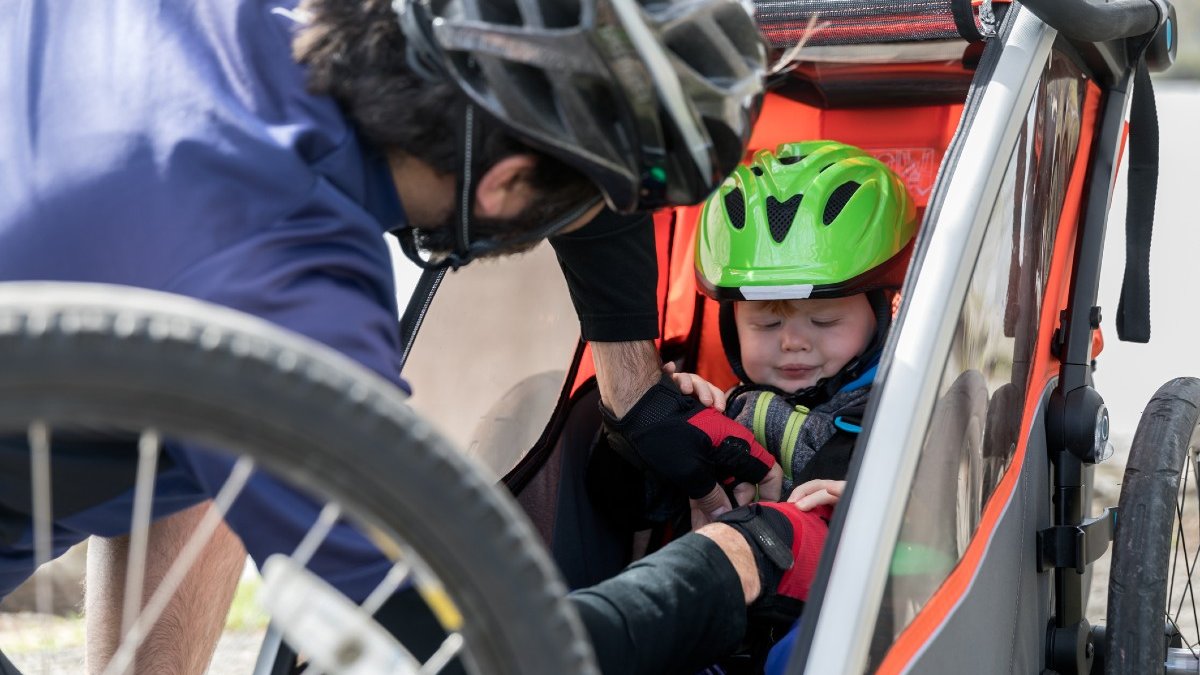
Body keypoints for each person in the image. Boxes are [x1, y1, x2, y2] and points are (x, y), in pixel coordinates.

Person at [0, 0, 783, 671]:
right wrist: (722, 567)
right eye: (585, 205)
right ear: (507, 183)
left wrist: (634, 387)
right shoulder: (302, 299)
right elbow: (449, 648)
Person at [664, 139, 919, 671]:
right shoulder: (723, 401)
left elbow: (954, 528)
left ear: (883, 311)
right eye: (766, 323)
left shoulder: (908, 412)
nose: (793, 343)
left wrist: (885, 508)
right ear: (730, 328)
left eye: (824, 321)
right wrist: (674, 413)